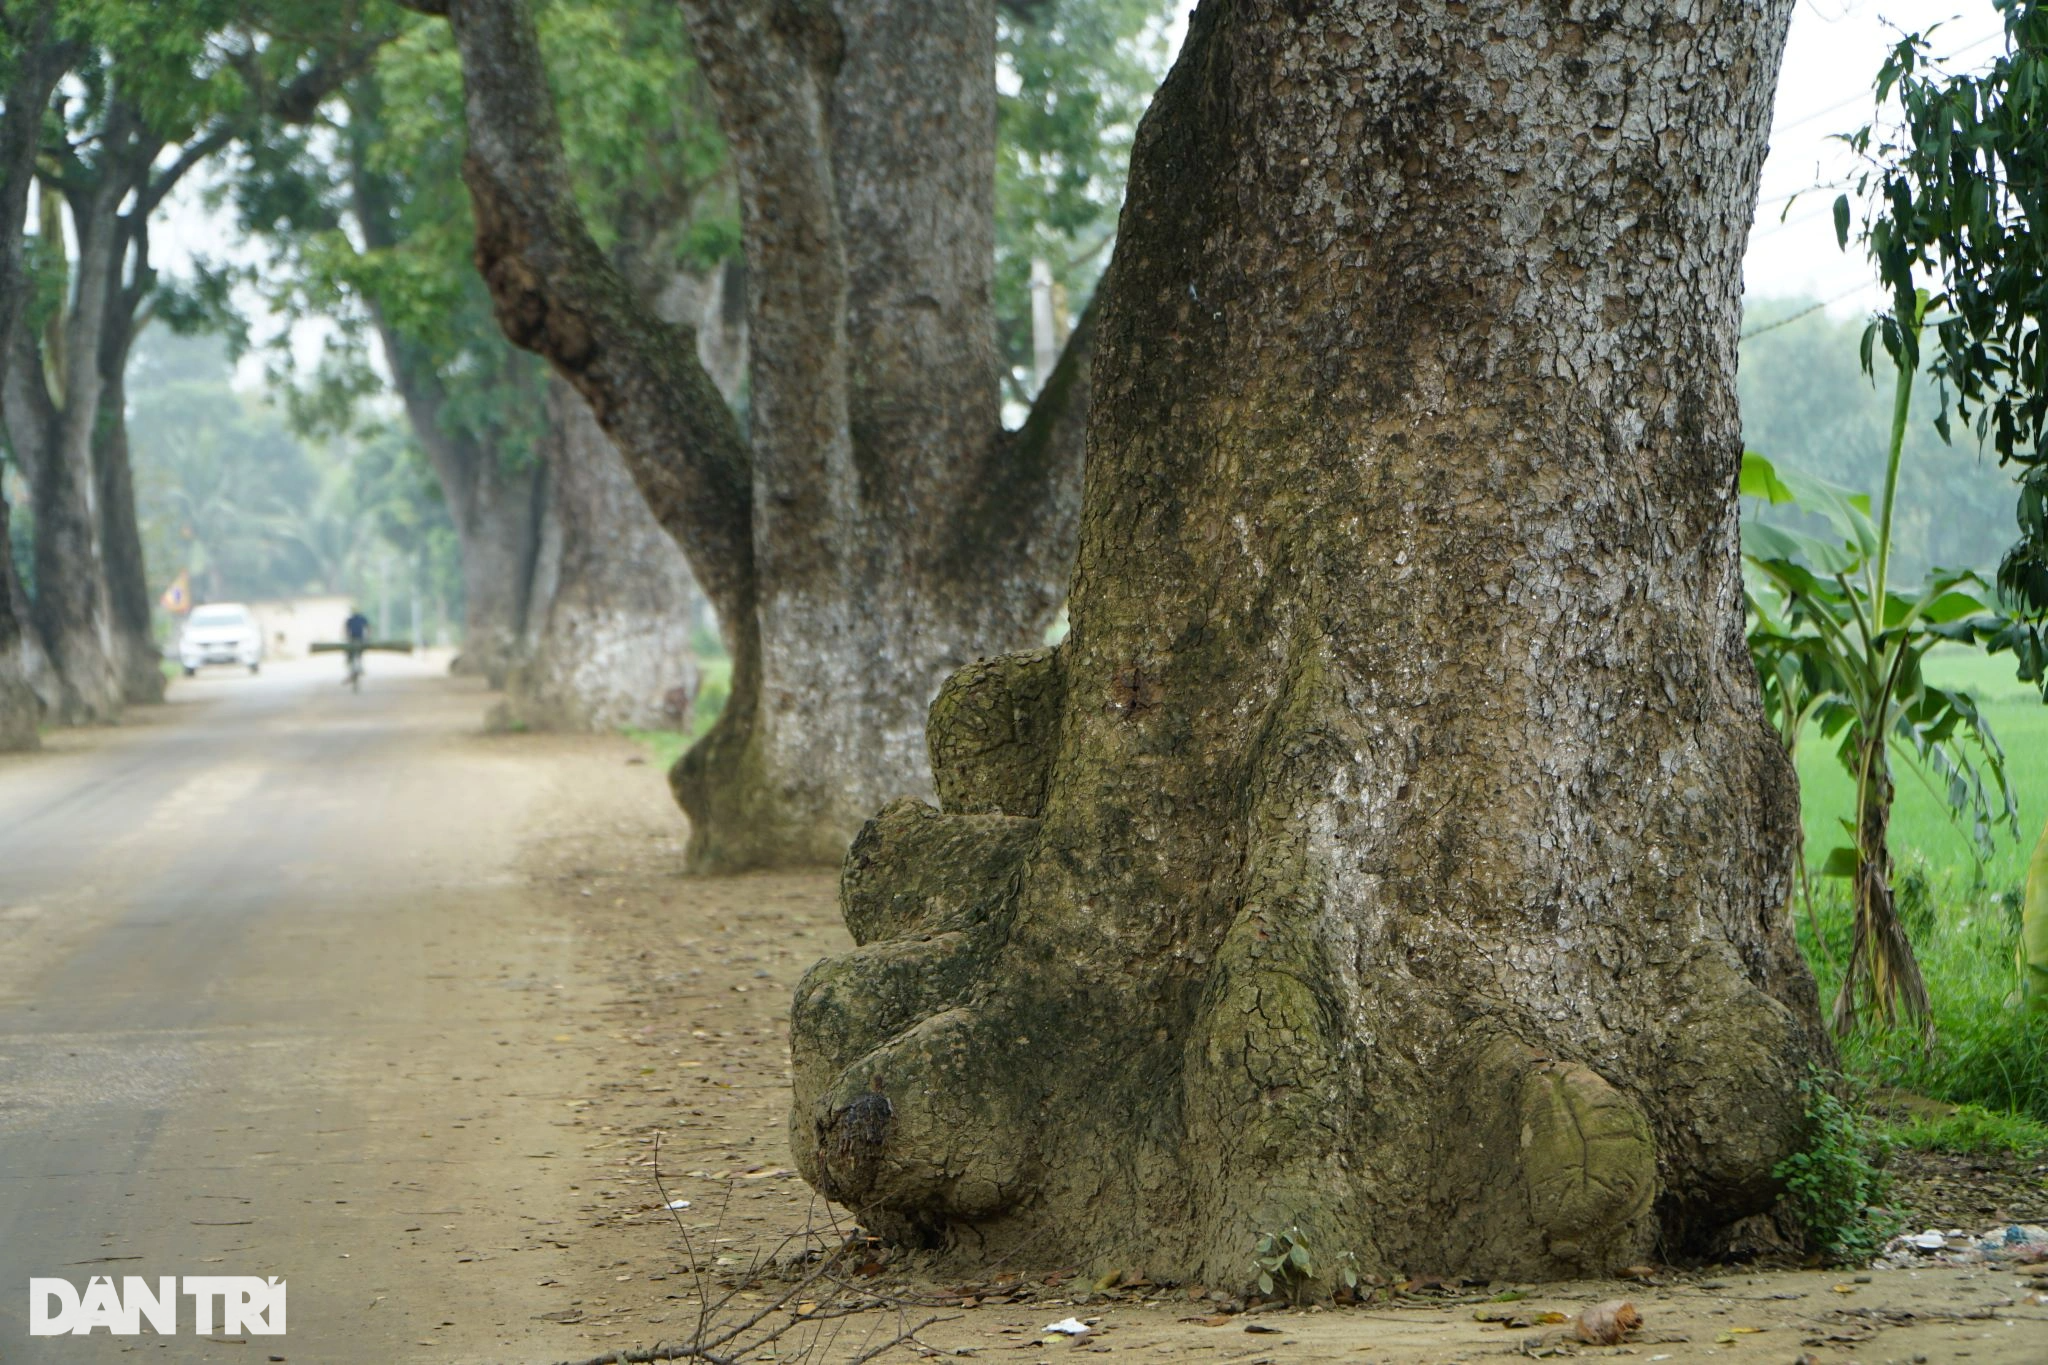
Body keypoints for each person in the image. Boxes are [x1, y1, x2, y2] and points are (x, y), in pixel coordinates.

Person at [342, 608, 370, 688]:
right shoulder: (361, 619)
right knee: (358, 654)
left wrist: (346, 638)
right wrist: (368, 637)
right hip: (359, 640)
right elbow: (368, 627)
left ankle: (355, 667)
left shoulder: (350, 620)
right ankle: (358, 667)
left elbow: (346, 630)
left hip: (353, 639)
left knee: (351, 655)